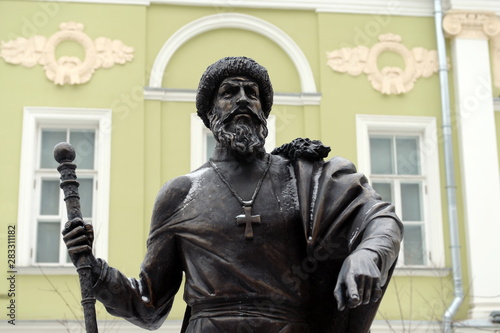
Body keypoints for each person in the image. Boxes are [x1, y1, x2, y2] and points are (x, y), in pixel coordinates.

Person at [63, 56, 403, 333]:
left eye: (251, 93)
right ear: (210, 115)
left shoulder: (305, 178)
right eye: (229, 92)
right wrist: (93, 269)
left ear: (264, 110)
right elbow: (148, 305)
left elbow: (379, 217)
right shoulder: (180, 193)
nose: (242, 98)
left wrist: (369, 254)